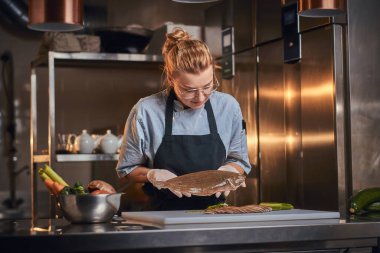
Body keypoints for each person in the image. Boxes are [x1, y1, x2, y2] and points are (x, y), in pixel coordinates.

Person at [116, 28, 251, 211]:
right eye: (189, 89)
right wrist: (152, 175)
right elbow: (127, 169)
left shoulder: (228, 107)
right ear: (171, 79)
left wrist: (230, 171)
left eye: (208, 86)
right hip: (162, 214)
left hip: (216, 214)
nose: (200, 97)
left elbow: (239, 159)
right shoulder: (146, 110)